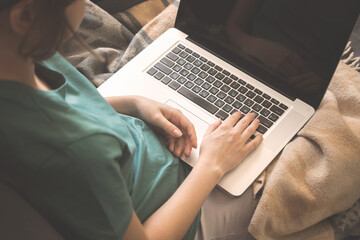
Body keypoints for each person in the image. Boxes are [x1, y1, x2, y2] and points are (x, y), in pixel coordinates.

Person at [0, 0, 263, 239]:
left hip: (136, 162)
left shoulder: (22, 53)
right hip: (178, 211)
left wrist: (134, 104)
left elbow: (62, 106)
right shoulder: (75, 149)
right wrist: (211, 165)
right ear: (25, 16)